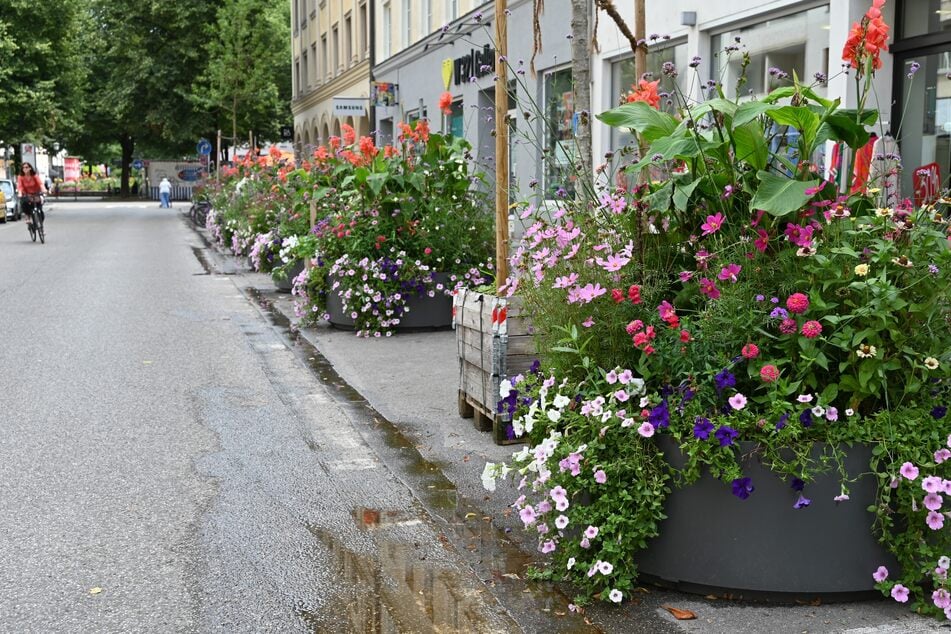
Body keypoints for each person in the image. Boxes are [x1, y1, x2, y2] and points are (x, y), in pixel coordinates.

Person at [17, 162, 46, 228]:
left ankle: (40, 226)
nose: (25, 169)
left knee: (40, 212)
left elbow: (40, 184)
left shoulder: (34, 176)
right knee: (24, 203)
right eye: (23, 168)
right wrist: (20, 193)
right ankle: (28, 218)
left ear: (30, 168)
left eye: (26, 167)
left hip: (36, 194)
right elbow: (20, 186)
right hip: (27, 195)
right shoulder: (20, 177)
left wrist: (44, 190)